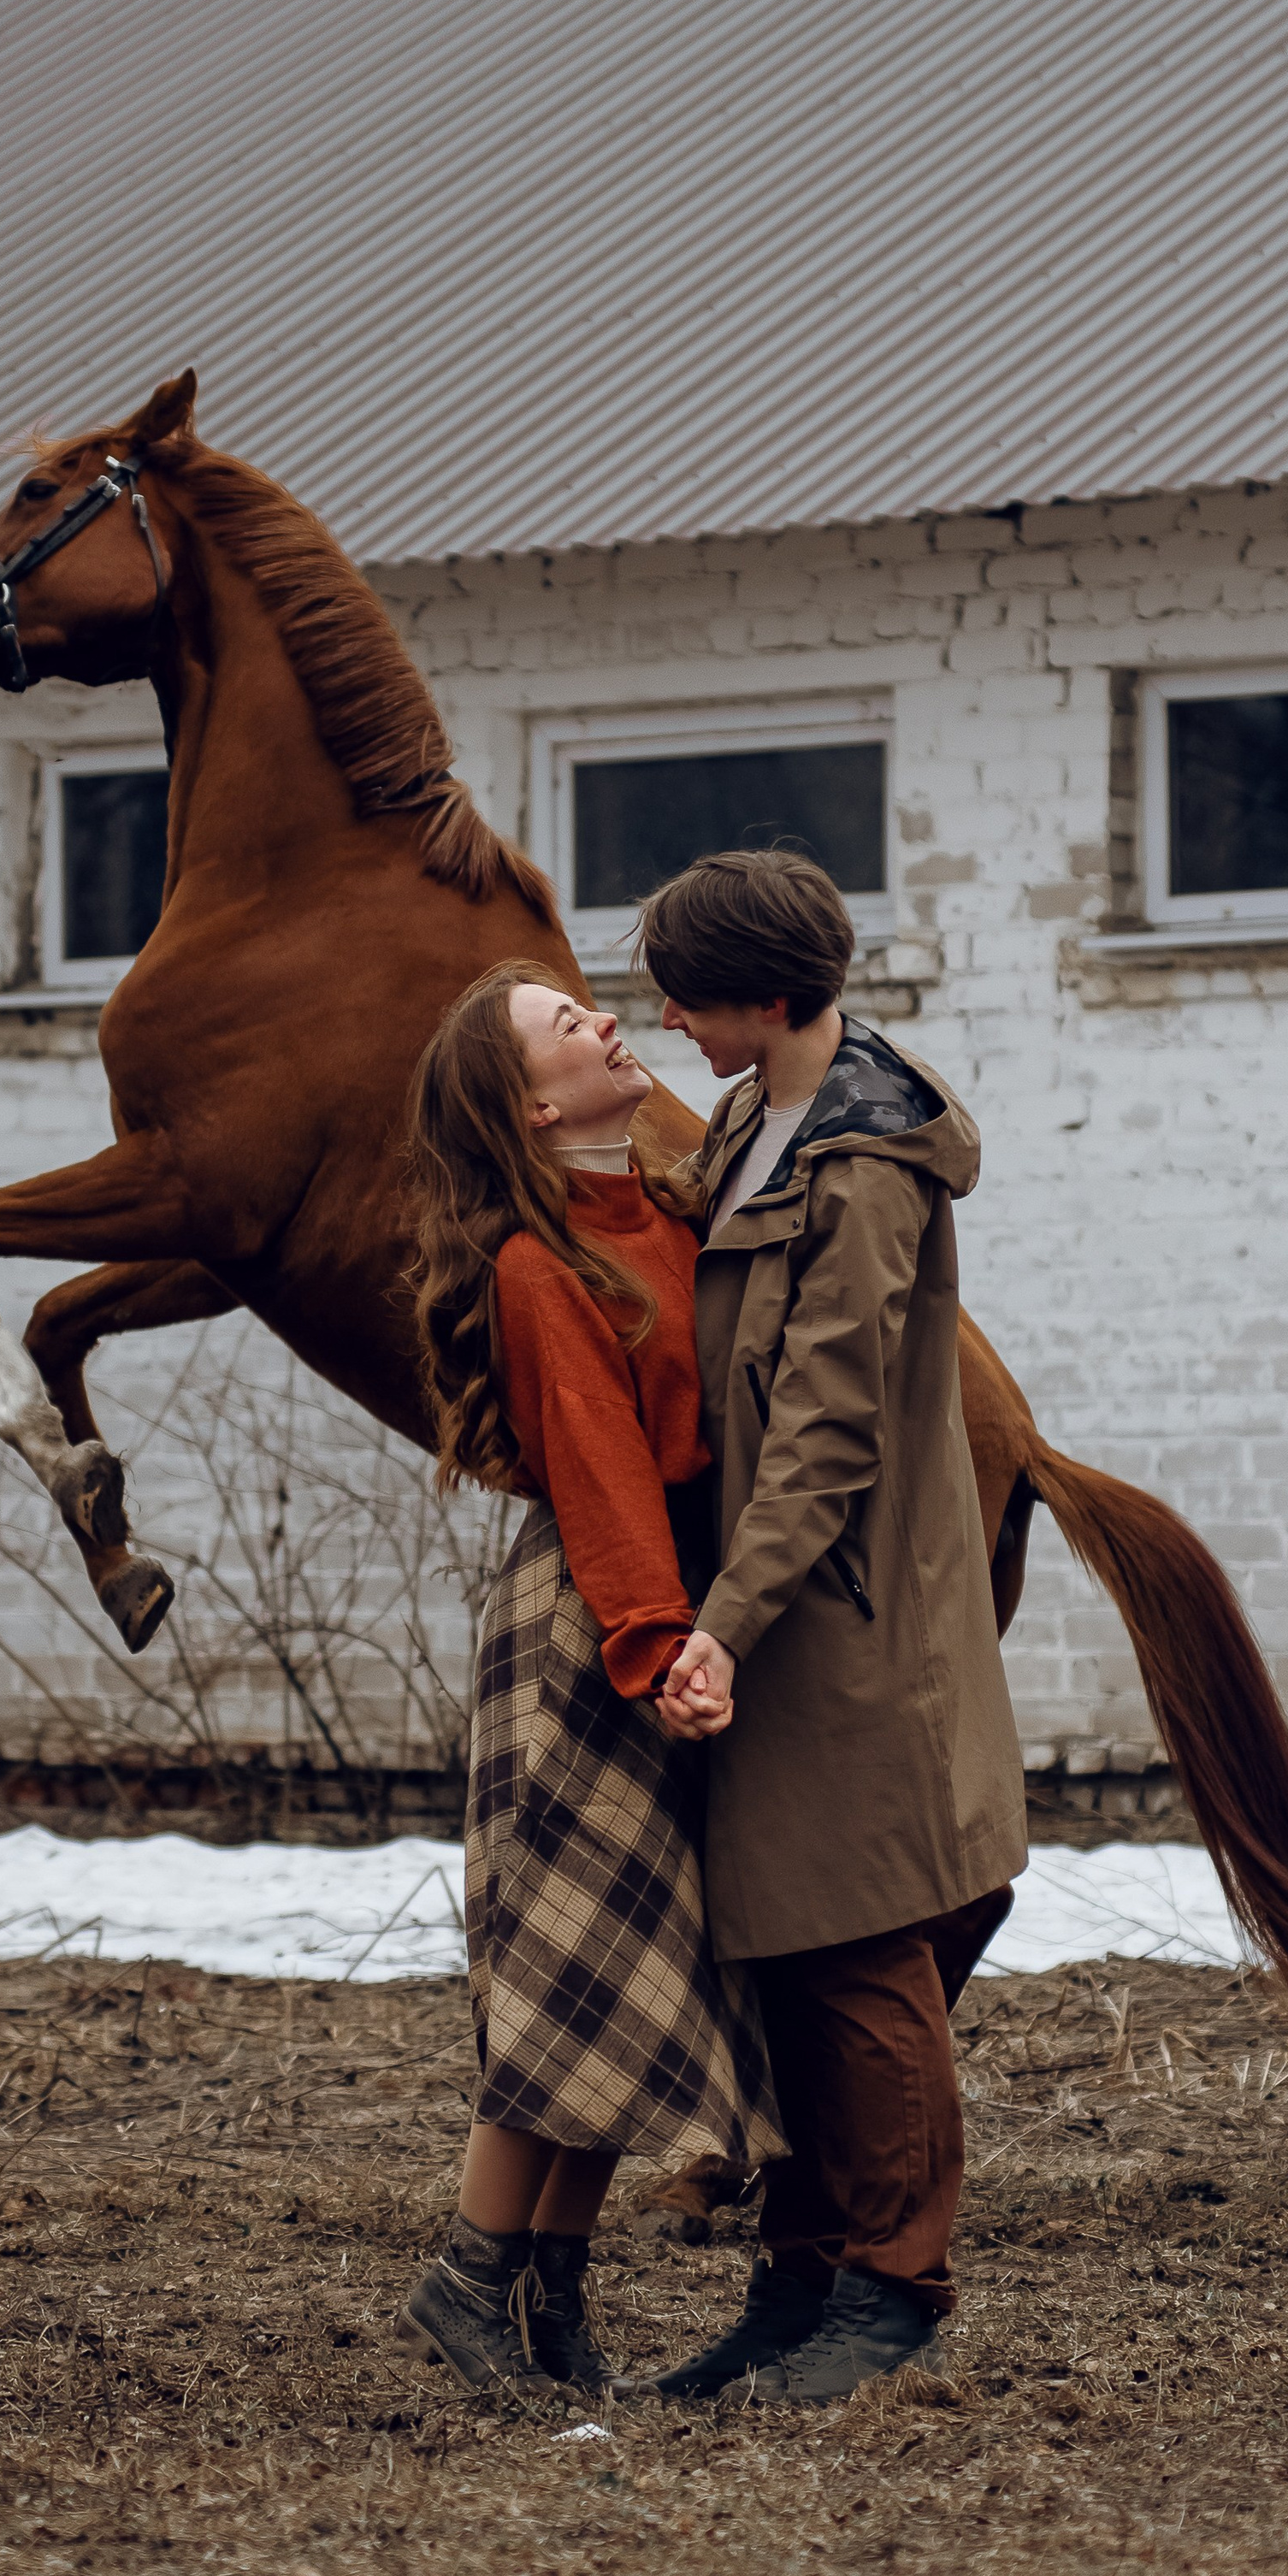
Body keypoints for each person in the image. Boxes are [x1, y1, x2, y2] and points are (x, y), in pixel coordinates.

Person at [627, 848, 1029, 2408]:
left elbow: (827, 1430)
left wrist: (724, 1623)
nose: (665, 1016)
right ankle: (799, 2283)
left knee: (862, 1953)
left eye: (688, 989)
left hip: (835, 1614)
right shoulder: (755, 1119)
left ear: (768, 993)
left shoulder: (861, 1163)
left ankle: (896, 2287)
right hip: (786, 1603)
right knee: (786, 1958)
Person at [399, 960, 785, 2396]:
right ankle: (466, 2286)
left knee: (627, 1980)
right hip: (593, 1630)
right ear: (530, 1099)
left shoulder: (671, 1215)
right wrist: (651, 1646)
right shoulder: (537, 1260)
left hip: (671, 1621)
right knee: (569, 1973)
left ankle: (551, 2304)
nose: (605, 1018)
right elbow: (602, 1466)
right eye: (568, 1024)